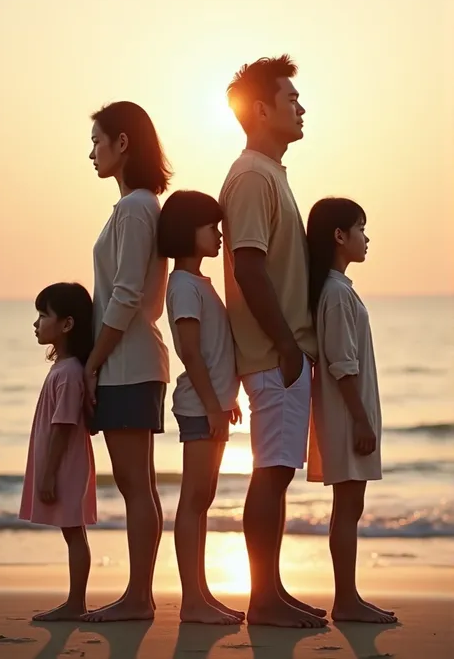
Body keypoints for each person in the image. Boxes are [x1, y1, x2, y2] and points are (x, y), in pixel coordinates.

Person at [219, 55, 327, 628]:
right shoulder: (253, 176)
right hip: (273, 355)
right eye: (290, 99)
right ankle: (262, 601)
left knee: (278, 470)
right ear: (260, 110)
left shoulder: (270, 173)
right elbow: (250, 270)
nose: (301, 106)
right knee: (272, 471)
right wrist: (287, 346)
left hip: (283, 353)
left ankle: (272, 591)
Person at [82, 101, 171, 622]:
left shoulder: (137, 207)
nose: (91, 153)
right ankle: (141, 594)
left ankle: (138, 598)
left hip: (128, 363)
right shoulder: (136, 207)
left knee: (136, 486)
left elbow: (127, 294)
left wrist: (93, 362)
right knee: (143, 485)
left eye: (97, 141)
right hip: (133, 361)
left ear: (123, 143)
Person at [306, 197, 397, 624]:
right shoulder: (336, 293)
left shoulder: (338, 289)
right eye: (361, 228)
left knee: (349, 507)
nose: (367, 237)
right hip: (346, 417)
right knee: (348, 507)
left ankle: (348, 597)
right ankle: (346, 600)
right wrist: (361, 420)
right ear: (339, 236)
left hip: (347, 414)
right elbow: (342, 365)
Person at [158, 190, 244, 625]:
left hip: (213, 405)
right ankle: (192, 600)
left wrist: (226, 401)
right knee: (193, 499)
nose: (220, 234)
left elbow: (215, 349)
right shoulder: (184, 286)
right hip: (198, 406)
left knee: (203, 499)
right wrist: (212, 405)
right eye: (212, 226)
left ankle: (203, 593)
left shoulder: (200, 284)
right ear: (188, 232)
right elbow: (190, 352)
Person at [19, 282, 96, 621]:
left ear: (66, 324)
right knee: (73, 532)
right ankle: (74, 602)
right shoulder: (64, 369)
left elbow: (63, 425)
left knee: (73, 532)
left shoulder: (68, 373)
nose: (36, 323)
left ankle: (76, 604)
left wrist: (49, 473)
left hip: (65, 464)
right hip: (63, 461)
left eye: (42, 315)